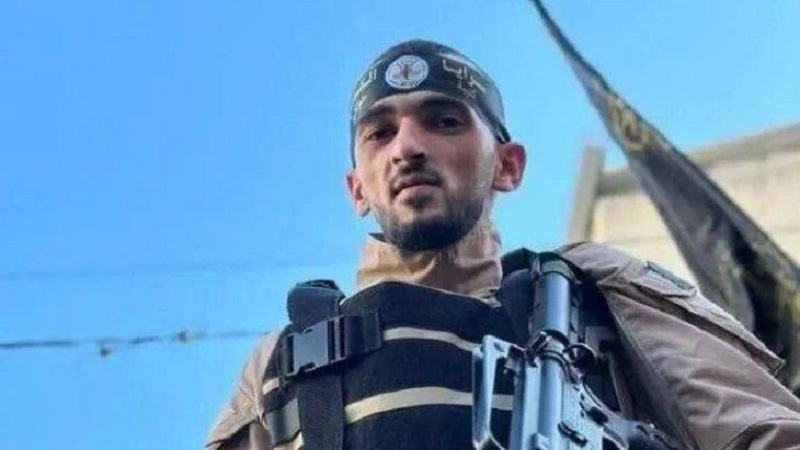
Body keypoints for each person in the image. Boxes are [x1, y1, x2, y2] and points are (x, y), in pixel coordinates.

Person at [205, 39, 800, 450]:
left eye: (444, 121)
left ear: (507, 165)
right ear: (357, 187)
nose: (407, 147)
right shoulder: (284, 361)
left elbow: (763, 435)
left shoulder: (593, 292)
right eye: (380, 133)